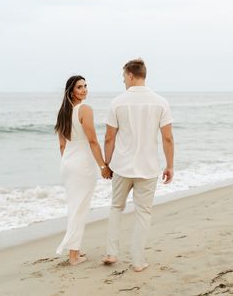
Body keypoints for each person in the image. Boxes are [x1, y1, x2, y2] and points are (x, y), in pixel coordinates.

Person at [103, 59, 174, 272]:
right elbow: (167, 138)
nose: (123, 80)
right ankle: (137, 261)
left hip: (122, 166)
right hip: (148, 166)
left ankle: (111, 253)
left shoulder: (117, 102)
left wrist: (107, 163)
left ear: (131, 75)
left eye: (124, 76)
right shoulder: (161, 102)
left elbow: (109, 137)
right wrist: (170, 165)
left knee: (116, 207)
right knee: (143, 213)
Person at [55, 75, 111, 266]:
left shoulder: (62, 112)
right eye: (80, 87)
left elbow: (62, 145)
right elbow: (93, 141)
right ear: (71, 91)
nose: (85, 89)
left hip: (68, 164)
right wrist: (103, 166)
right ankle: (73, 256)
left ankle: (74, 250)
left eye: (86, 86)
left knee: (75, 206)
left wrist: (69, 162)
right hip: (82, 164)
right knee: (80, 208)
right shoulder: (85, 110)